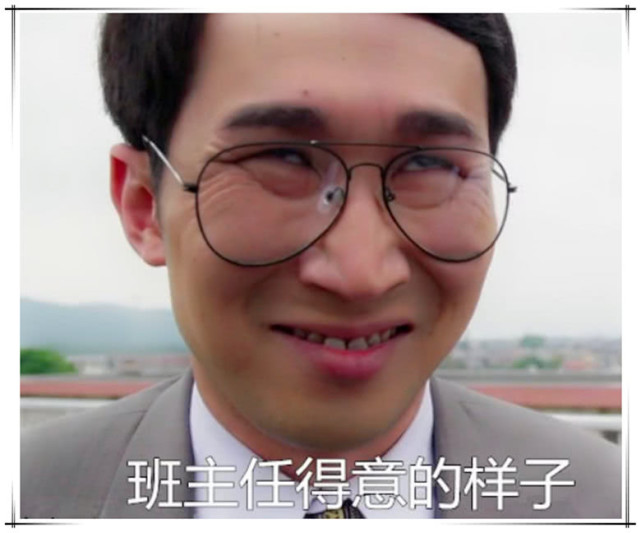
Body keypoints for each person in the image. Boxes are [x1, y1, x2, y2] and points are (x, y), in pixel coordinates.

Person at [21, 13, 621, 519]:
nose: (361, 274)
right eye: (281, 158)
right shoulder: (30, 500)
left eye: (430, 165)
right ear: (144, 205)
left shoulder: (604, 500)